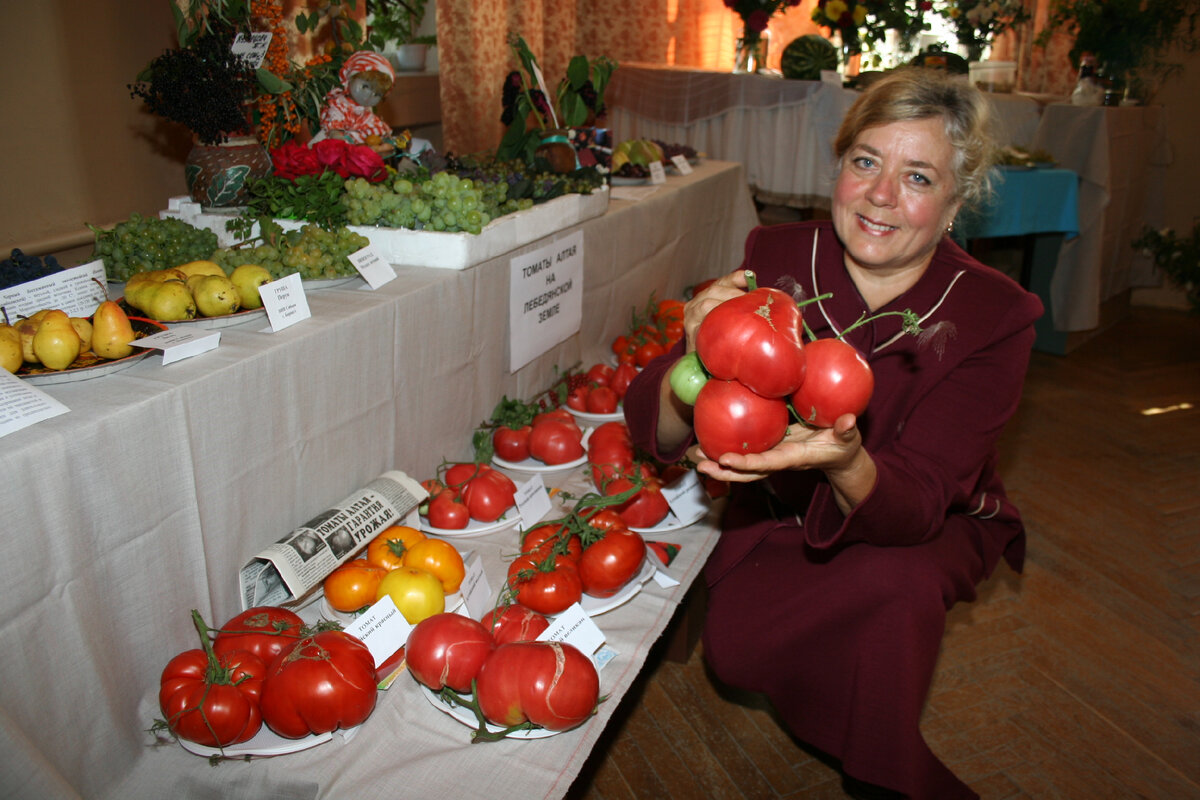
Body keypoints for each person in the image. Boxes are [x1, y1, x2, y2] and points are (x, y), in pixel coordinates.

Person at [623, 68, 1043, 800]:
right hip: (781, 507)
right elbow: (650, 415)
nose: (882, 196)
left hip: (925, 517)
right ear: (837, 168)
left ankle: (887, 777)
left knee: (895, 590)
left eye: (917, 176)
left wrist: (846, 461)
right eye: (865, 162)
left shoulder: (994, 313)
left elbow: (918, 498)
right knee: (737, 650)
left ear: (954, 204)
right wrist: (695, 354)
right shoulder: (779, 256)